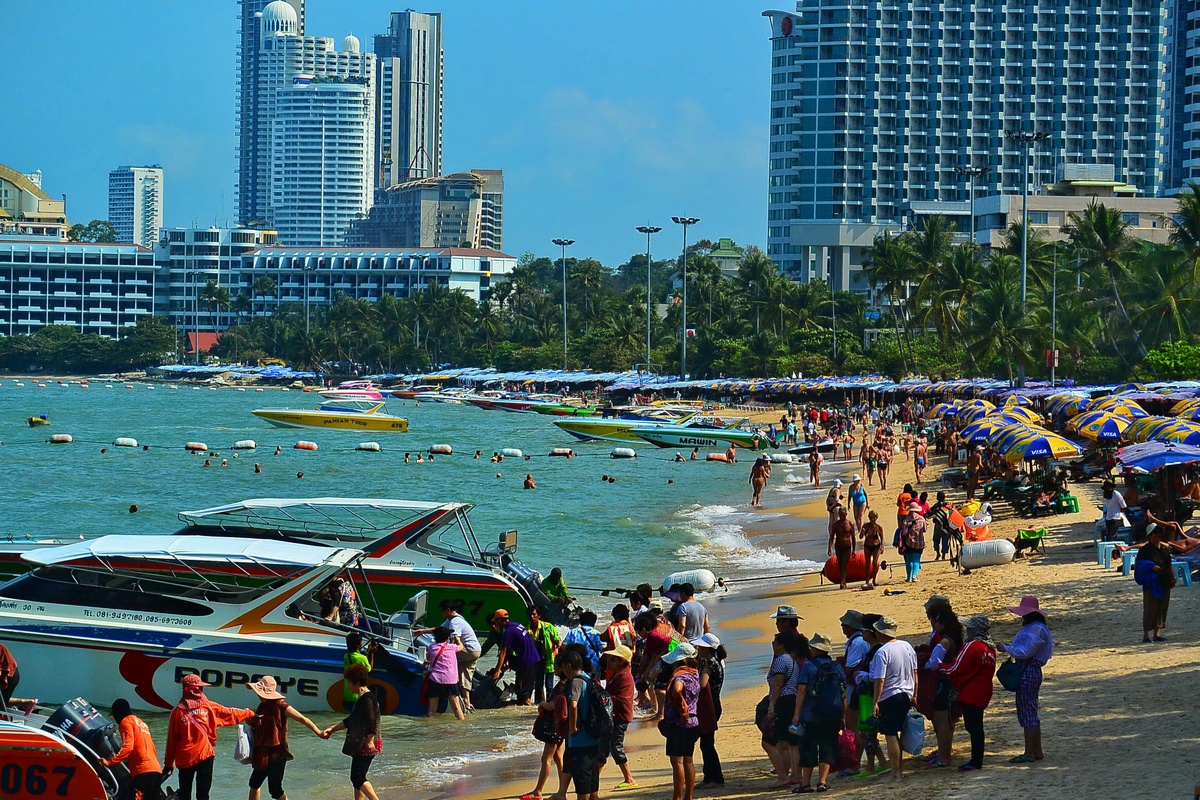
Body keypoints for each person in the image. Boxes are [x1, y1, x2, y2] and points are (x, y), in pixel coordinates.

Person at [163, 674, 255, 800]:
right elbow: (230, 714)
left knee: (185, 794)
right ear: (199, 689)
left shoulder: (176, 712)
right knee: (203, 795)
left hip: (185, 759)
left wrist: (168, 764)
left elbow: (171, 741)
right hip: (205, 756)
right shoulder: (209, 707)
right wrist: (250, 713)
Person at [244, 676, 324, 800]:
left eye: (259, 692)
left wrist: (318, 731)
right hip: (263, 752)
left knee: (275, 790)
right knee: (254, 783)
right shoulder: (262, 706)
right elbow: (259, 725)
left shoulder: (281, 705)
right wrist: (249, 720)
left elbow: (302, 719)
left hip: (277, 754)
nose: (258, 695)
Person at [997, 596, 1053, 763]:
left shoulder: (1035, 630)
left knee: (1027, 712)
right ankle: (1037, 750)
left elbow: (1025, 651)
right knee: (1032, 711)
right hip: (1033, 670)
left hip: (1028, 671)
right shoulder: (1039, 628)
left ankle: (1029, 753)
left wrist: (1006, 648)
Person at [940, 615, 997, 772]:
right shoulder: (990, 648)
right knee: (977, 727)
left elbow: (956, 667)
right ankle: (976, 759)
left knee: (973, 727)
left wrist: (939, 666)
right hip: (983, 691)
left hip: (970, 692)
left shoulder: (972, 646)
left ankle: (975, 761)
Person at [791, 632, 846, 793]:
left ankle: (805, 784)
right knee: (827, 747)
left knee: (807, 748)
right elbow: (843, 693)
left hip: (810, 715)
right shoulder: (837, 667)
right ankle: (822, 782)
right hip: (832, 715)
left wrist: (796, 715)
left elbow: (801, 691)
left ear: (814, 649)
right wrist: (842, 715)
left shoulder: (808, 666)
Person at [322, 664, 382, 800]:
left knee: (357, 778)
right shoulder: (362, 699)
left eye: (349, 682)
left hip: (365, 743)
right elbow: (350, 721)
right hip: (362, 743)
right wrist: (332, 729)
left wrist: (370, 740)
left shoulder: (367, 699)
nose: (348, 686)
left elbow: (371, 721)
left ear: (357, 682)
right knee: (357, 779)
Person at [868, 616, 917, 783]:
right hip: (906, 694)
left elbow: (879, 680)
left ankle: (895, 773)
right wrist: (915, 694)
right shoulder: (907, 646)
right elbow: (915, 673)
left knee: (890, 734)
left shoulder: (882, 652)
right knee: (898, 732)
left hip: (890, 695)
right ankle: (899, 770)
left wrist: (875, 701)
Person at [101, 698, 164, 800]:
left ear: (118, 712)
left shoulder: (125, 722)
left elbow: (128, 747)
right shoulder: (141, 722)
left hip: (142, 773)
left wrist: (110, 762)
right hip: (155, 770)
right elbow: (152, 747)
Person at [924, 606, 963, 769]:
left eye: (934, 620)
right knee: (947, 721)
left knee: (941, 722)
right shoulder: (955, 638)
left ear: (941, 623)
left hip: (942, 683)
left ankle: (943, 756)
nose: (932, 623)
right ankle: (944, 754)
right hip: (951, 683)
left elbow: (933, 664)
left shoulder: (944, 642)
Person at [764, 631, 804, 788]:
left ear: (780, 645)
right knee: (791, 741)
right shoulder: (791, 660)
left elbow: (779, 684)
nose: (772, 645)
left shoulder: (781, 660)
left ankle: (783, 776)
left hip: (784, 700)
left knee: (778, 741)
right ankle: (794, 774)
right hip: (792, 699)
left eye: (774, 643)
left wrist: (772, 704)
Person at [662, 642, 701, 800]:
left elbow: (677, 690)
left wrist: (680, 705)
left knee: (677, 762)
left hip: (679, 722)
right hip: (694, 721)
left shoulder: (681, 675)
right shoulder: (694, 673)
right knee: (688, 760)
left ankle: (677, 797)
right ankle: (688, 796)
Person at [562, 648, 603, 800]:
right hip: (594, 736)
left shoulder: (576, 682)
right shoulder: (589, 679)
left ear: (568, 666)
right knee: (592, 782)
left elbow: (573, 705)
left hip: (580, 740)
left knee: (582, 784)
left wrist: (572, 728)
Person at [602, 644, 638, 790]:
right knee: (604, 746)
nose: (610, 661)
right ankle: (595, 779)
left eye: (614, 659)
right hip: (616, 715)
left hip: (620, 716)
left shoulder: (624, 676)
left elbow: (622, 699)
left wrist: (604, 697)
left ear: (622, 661)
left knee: (616, 747)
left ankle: (629, 778)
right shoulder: (618, 674)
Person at [490, 608, 544, 704]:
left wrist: (497, 670)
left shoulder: (508, 631)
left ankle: (529, 714)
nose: (495, 625)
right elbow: (510, 650)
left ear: (499, 620)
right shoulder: (517, 625)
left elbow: (504, 651)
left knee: (523, 698)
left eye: (496, 622)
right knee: (525, 692)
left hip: (526, 663)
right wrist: (507, 664)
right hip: (535, 660)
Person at [692, 633, 725, 788]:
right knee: (706, 742)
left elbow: (702, 684)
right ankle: (709, 777)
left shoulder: (710, 663)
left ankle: (715, 778)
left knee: (707, 743)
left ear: (707, 649)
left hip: (709, 706)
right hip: (711, 705)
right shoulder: (713, 661)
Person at [1135, 525, 1177, 642]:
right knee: (1150, 608)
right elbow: (1139, 565)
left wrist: (1172, 577)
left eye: (1159, 533)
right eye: (1155, 534)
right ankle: (1146, 635)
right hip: (1151, 583)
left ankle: (1156, 633)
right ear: (1149, 536)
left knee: (1162, 608)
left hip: (1164, 580)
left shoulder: (1164, 549)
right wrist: (1151, 567)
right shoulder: (1145, 550)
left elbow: (1169, 564)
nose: (1157, 536)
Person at [425, 627, 466, 719]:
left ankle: (429, 729)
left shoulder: (431, 647)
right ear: (447, 637)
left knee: (432, 709)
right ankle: (462, 727)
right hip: (451, 680)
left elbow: (428, 659)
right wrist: (458, 640)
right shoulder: (452, 647)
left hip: (435, 680)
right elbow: (461, 647)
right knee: (456, 708)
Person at [528, 605, 563, 703]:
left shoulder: (548, 627)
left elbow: (558, 641)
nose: (532, 617)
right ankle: (538, 705)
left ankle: (550, 704)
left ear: (539, 616)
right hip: (536, 661)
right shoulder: (527, 630)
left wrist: (559, 652)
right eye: (530, 614)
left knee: (549, 685)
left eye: (534, 614)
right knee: (538, 685)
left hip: (549, 660)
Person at [342, 632, 374, 711]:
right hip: (357, 696)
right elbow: (369, 669)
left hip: (347, 695)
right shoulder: (362, 658)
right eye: (361, 643)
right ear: (358, 645)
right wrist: (372, 653)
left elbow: (357, 659)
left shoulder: (346, 656)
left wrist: (367, 653)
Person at [827, 506, 856, 590]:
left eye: (843, 515)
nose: (842, 517)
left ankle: (843, 581)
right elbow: (832, 537)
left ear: (846, 514)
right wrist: (829, 547)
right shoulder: (836, 525)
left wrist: (854, 550)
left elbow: (853, 537)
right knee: (840, 564)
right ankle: (843, 581)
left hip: (847, 546)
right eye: (840, 515)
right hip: (838, 546)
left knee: (844, 564)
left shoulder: (850, 524)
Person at [899, 502, 928, 583]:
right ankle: (914, 576)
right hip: (919, 542)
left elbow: (904, 533)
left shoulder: (906, 520)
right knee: (916, 560)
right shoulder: (921, 519)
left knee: (908, 560)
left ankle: (909, 577)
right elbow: (925, 530)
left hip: (909, 543)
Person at [928, 492, 955, 562]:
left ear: (937, 498)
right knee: (945, 540)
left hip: (938, 525)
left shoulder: (935, 506)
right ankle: (943, 555)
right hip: (947, 526)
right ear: (944, 498)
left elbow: (929, 514)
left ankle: (938, 553)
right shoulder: (948, 505)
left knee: (936, 539)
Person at [860, 510, 884, 590]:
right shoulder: (866, 526)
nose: (872, 519)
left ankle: (874, 580)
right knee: (867, 563)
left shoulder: (878, 527)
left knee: (875, 563)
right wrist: (862, 532)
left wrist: (882, 546)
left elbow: (882, 537)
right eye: (870, 517)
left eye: (873, 518)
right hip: (867, 546)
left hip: (876, 546)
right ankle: (867, 580)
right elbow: (860, 537)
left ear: (876, 518)